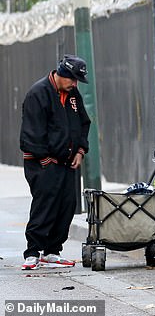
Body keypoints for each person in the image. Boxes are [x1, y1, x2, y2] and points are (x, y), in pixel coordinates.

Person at [19, 55, 91, 270]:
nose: (75, 84)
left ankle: (52, 251)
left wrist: (80, 150)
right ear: (63, 74)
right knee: (45, 204)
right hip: (43, 162)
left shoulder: (72, 95)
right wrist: (45, 158)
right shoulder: (38, 93)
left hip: (67, 161)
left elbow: (83, 122)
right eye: (73, 79)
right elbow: (31, 132)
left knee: (66, 205)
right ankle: (32, 252)